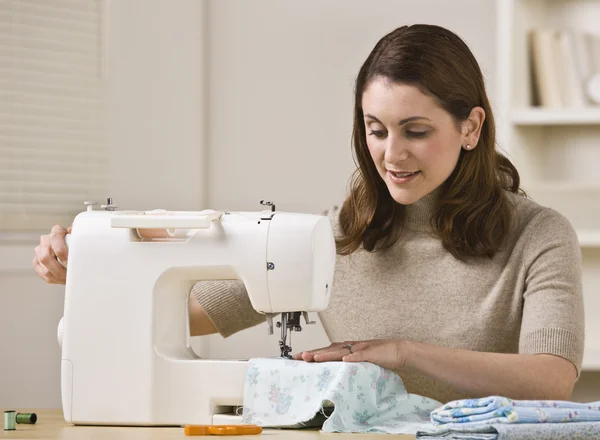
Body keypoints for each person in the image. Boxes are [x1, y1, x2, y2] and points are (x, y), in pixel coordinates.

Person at [33, 24, 584, 404]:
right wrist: (92, 266)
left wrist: (403, 353)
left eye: (416, 131)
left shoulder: (539, 235)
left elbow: (552, 378)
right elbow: (179, 314)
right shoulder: (339, 236)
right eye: (375, 130)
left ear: (470, 127)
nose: (392, 155)